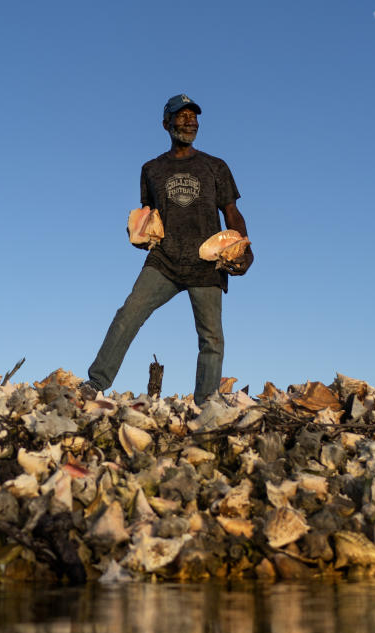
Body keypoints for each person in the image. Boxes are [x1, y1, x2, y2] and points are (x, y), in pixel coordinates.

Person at [82, 93, 253, 405]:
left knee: (211, 338)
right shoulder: (152, 169)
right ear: (166, 123)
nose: (189, 122)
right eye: (181, 116)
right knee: (128, 314)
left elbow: (232, 213)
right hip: (164, 261)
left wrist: (244, 247)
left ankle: (204, 405)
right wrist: (140, 235)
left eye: (193, 116)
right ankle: (94, 384)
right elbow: (148, 217)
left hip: (207, 262)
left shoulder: (215, 166)